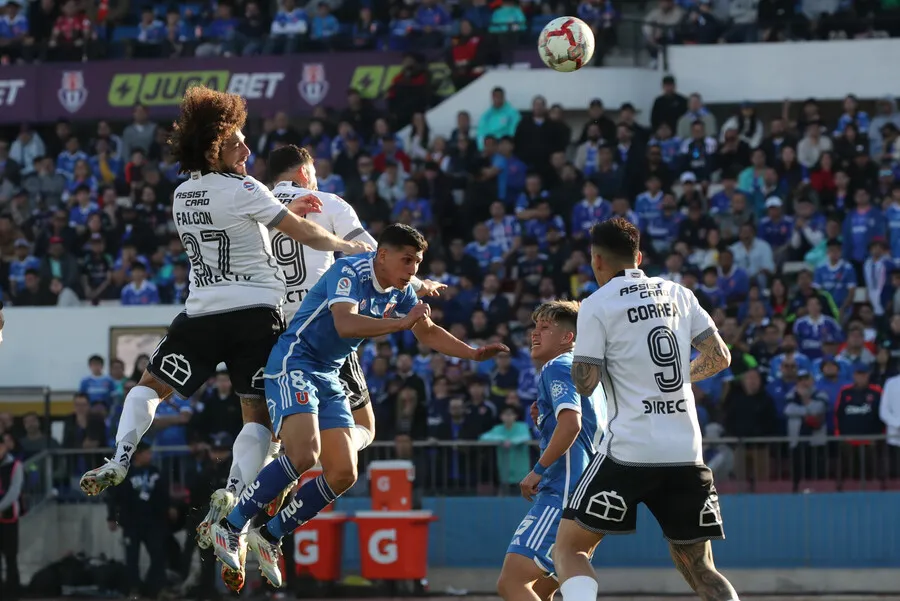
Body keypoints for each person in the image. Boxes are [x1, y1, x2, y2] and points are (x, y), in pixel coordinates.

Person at [79, 86, 372, 499]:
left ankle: (120, 456)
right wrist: (344, 245)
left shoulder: (182, 195)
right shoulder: (247, 189)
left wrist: (277, 213)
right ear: (214, 149)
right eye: (236, 142)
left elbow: (232, 228)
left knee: (148, 387)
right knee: (257, 417)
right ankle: (233, 491)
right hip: (256, 315)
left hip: (200, 313)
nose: (247, 150)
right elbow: (299, 231)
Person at [198, 144, 445, 591]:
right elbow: (377, 253)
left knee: (263, 422)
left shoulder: (258, 204)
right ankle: (270, 492)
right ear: (307, 172)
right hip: (321, 332)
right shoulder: (327, 202)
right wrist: (419, 281)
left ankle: (251, 488)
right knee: (361, 429)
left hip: (266, 327)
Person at [213, 224, 508, 587]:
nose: (414, 269)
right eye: (408, 260)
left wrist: (473, 353)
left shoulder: (399, 290)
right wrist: (400, 323)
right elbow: (345, 323)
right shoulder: (349, 271)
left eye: (417, 261)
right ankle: (231, 526)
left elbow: (427, 331)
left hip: (328, 374)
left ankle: (270, 535)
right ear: (381, 255)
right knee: (304, 453)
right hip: (295, 362)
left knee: (343, 472)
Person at [552, 218, 741, 601]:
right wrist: (677, 381)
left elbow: (585, 383)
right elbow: (719, 356)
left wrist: (581, 354)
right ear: (638, 257)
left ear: (597, 261)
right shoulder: (679, 293)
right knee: (703, 569)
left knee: (568, 549)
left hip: (630, 451)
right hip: (686, 451)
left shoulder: (596, 304)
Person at [497, 300, 606, 601]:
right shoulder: (591, 375)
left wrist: (538, 471)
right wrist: (544, 421)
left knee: (512, 583)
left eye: (545, 328)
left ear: (567, 338)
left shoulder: (557, 365)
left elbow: (571, 425)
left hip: (562, 493)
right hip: (590, 494)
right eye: (535, 327)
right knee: (542, 592)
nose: (535, 333)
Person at [106, 443, 169, 599]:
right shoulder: (124, 473)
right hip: (132, 522)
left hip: (153, 522)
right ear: (138, 454)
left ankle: (155, 588)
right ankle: (134, 589)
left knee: (158, 555)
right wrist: (112, 517)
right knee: (132, 558)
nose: (150, 456)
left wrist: (168, 510)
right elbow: (114, 497)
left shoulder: (155, 472)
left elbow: (162, 494)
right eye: (147, 453)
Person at [0, 434, 23, 600]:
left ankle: (13, 593)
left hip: (9, 517)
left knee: (10, 556)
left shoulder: (15, 465)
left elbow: (14, 492)